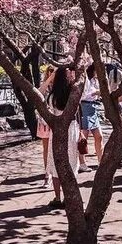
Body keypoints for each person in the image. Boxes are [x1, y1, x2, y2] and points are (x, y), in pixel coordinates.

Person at [44, 64, 80, 209]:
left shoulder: (52, 96)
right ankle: (68, 197)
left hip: (57, 129)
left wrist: (49, 79)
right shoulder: (73, 93)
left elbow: (39, 94)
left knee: (55, 163)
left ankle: (57, 197)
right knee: (71, 162)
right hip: (71, 129)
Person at [79, 65, 104, 169]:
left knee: (99, 136)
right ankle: (82, 163)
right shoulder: (85, 80)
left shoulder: (95, 81)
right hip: (85, 106)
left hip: (93, 108)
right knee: (83, 137)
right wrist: (95, 93)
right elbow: (83, 95)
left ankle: (100, 161)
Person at [36, 65, 54, 187]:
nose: (52, 74)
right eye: (50, 72)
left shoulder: (61, 86)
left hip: (58, 120)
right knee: (46, 148)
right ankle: (48, 175)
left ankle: (56, 173)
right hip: (45, 121)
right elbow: (39, 92)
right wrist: (49, 80)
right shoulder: (46, 86)